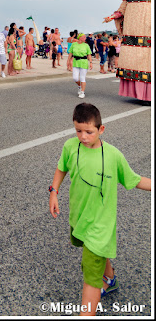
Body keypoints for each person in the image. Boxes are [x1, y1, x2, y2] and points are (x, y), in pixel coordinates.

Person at [49, 103, 151, 316]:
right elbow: (62, 168)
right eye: (78, 130)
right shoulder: (70, 147)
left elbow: (135, 179)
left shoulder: (113, 156)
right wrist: (54, 192)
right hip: (80, 218)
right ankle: (110, 279)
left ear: (101, 130)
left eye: (89, 132)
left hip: (100, 227)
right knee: (91, 248)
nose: (83, 136)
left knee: (91, 280)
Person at [103, 0, 151, 103]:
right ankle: (140, 95)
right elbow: (123, 6)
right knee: (133, 61)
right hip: (132, 30)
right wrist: (113, 16)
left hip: (149, 29)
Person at [68, 33, 93, 99]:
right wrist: (68, 61)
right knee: (75, 78)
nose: (85, 38)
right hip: (75, 62)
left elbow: (89, 54)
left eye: (85, 37)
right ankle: (80, 86)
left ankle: (82, 92)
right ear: (79, 38)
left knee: (82, 78)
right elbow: (70, 53)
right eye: (84, 37)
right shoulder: (74, 44)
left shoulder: (86, 45)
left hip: (84, 62)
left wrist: (91, 62)